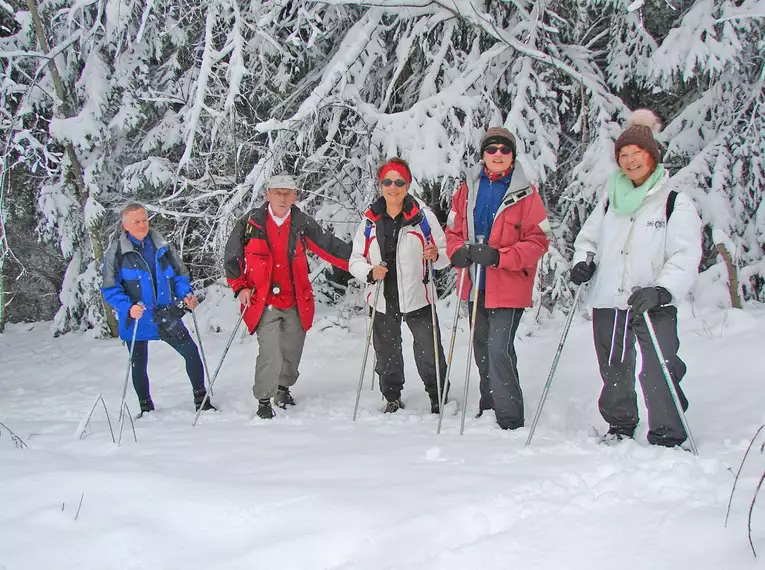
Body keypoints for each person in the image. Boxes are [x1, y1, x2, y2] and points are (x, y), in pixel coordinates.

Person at [571, 109, 702, 447]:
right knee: (614, 368)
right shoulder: (609, 202)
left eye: (636, 154)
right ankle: (620, 424)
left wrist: (663, 290)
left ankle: (668, 432)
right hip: (609, 299)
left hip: (652, 300)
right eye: (624, 155)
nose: (630, 161)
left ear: (652, 157)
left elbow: (685, 254)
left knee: (660, 366)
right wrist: (584, 262)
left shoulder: (673, 203)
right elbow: (588, 240)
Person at [446, 127, 551, 430]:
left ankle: (509, 415)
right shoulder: (468, 188)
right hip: (475, 282)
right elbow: (453, 229)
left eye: (504, 150)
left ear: (512, 156)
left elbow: (539, 240)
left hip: (508, 283)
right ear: (483, 154)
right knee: (481, 345)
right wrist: (457, 252)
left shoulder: (526, 193)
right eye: (491, 150)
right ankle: (489, 405)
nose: (497, 155)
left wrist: (500, 257)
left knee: (498, 348)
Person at [224, 173, 352, 419]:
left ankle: (283, 388)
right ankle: (264, 399)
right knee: (270, 350)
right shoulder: (251, 222)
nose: (283, 198)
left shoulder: (302, 223)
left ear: (295, 196)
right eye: (278, 192)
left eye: (288, 193)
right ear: (267, 195)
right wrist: (240, 287)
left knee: (293, 348)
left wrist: (360, 263)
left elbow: (330, 247)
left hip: (295, 298)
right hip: (262, 301)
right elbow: (233, 255)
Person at [349, 158, 450, 414]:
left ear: (407, 185)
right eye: (387, 181)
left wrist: (435, 256)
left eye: (399, 182)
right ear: (380, 185)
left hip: (418, 294)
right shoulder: (370, 221)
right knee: (387, 352)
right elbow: (355, 260)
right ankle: (392, 395)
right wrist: (370, 272)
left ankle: (438, 394)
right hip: (382, 296)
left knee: (429, 349)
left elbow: (446, 252)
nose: (392, 187)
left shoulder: (423, 217)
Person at [101, 203, 215, 415]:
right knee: (138, 363)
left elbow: (179, 275)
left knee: (191, 352)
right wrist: (128, 307)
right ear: (126, 225)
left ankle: (202, 400)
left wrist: (186, 294)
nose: (143, 224)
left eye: (145, 219)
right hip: (136, 317)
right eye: (137, 221)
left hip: (165, 313)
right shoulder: (116, 253)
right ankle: (146, 408)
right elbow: (110, 289)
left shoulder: (162, 245)